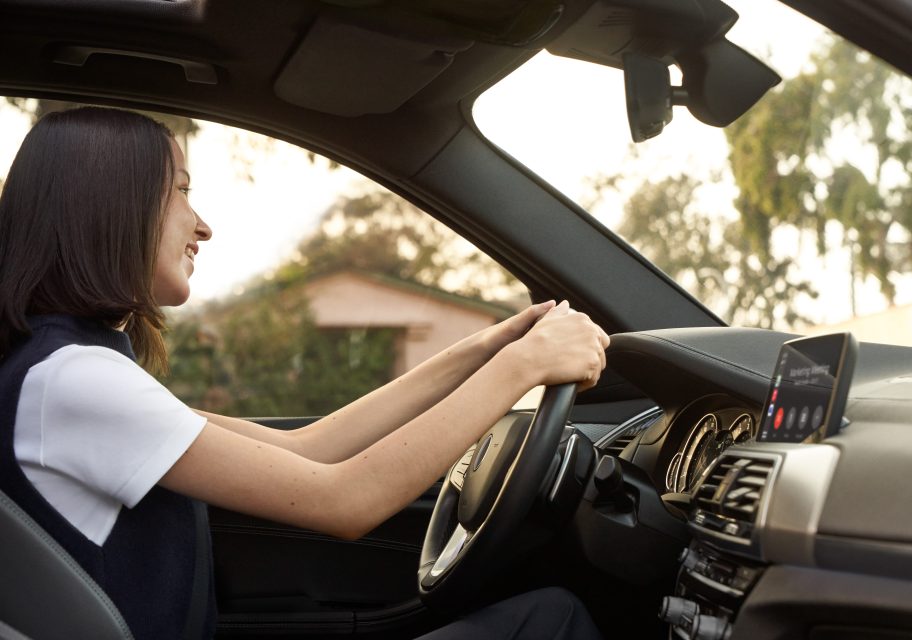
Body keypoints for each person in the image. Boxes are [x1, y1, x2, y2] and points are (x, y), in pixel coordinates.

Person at [0, 107, 609, 639]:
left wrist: (482, 350)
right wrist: (522, 366)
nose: (201, 224)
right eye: (178, 191)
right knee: (548, 620)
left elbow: (309, 449)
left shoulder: (72, 367)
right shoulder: (74, 380)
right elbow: (345, 500)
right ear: (110, 205)